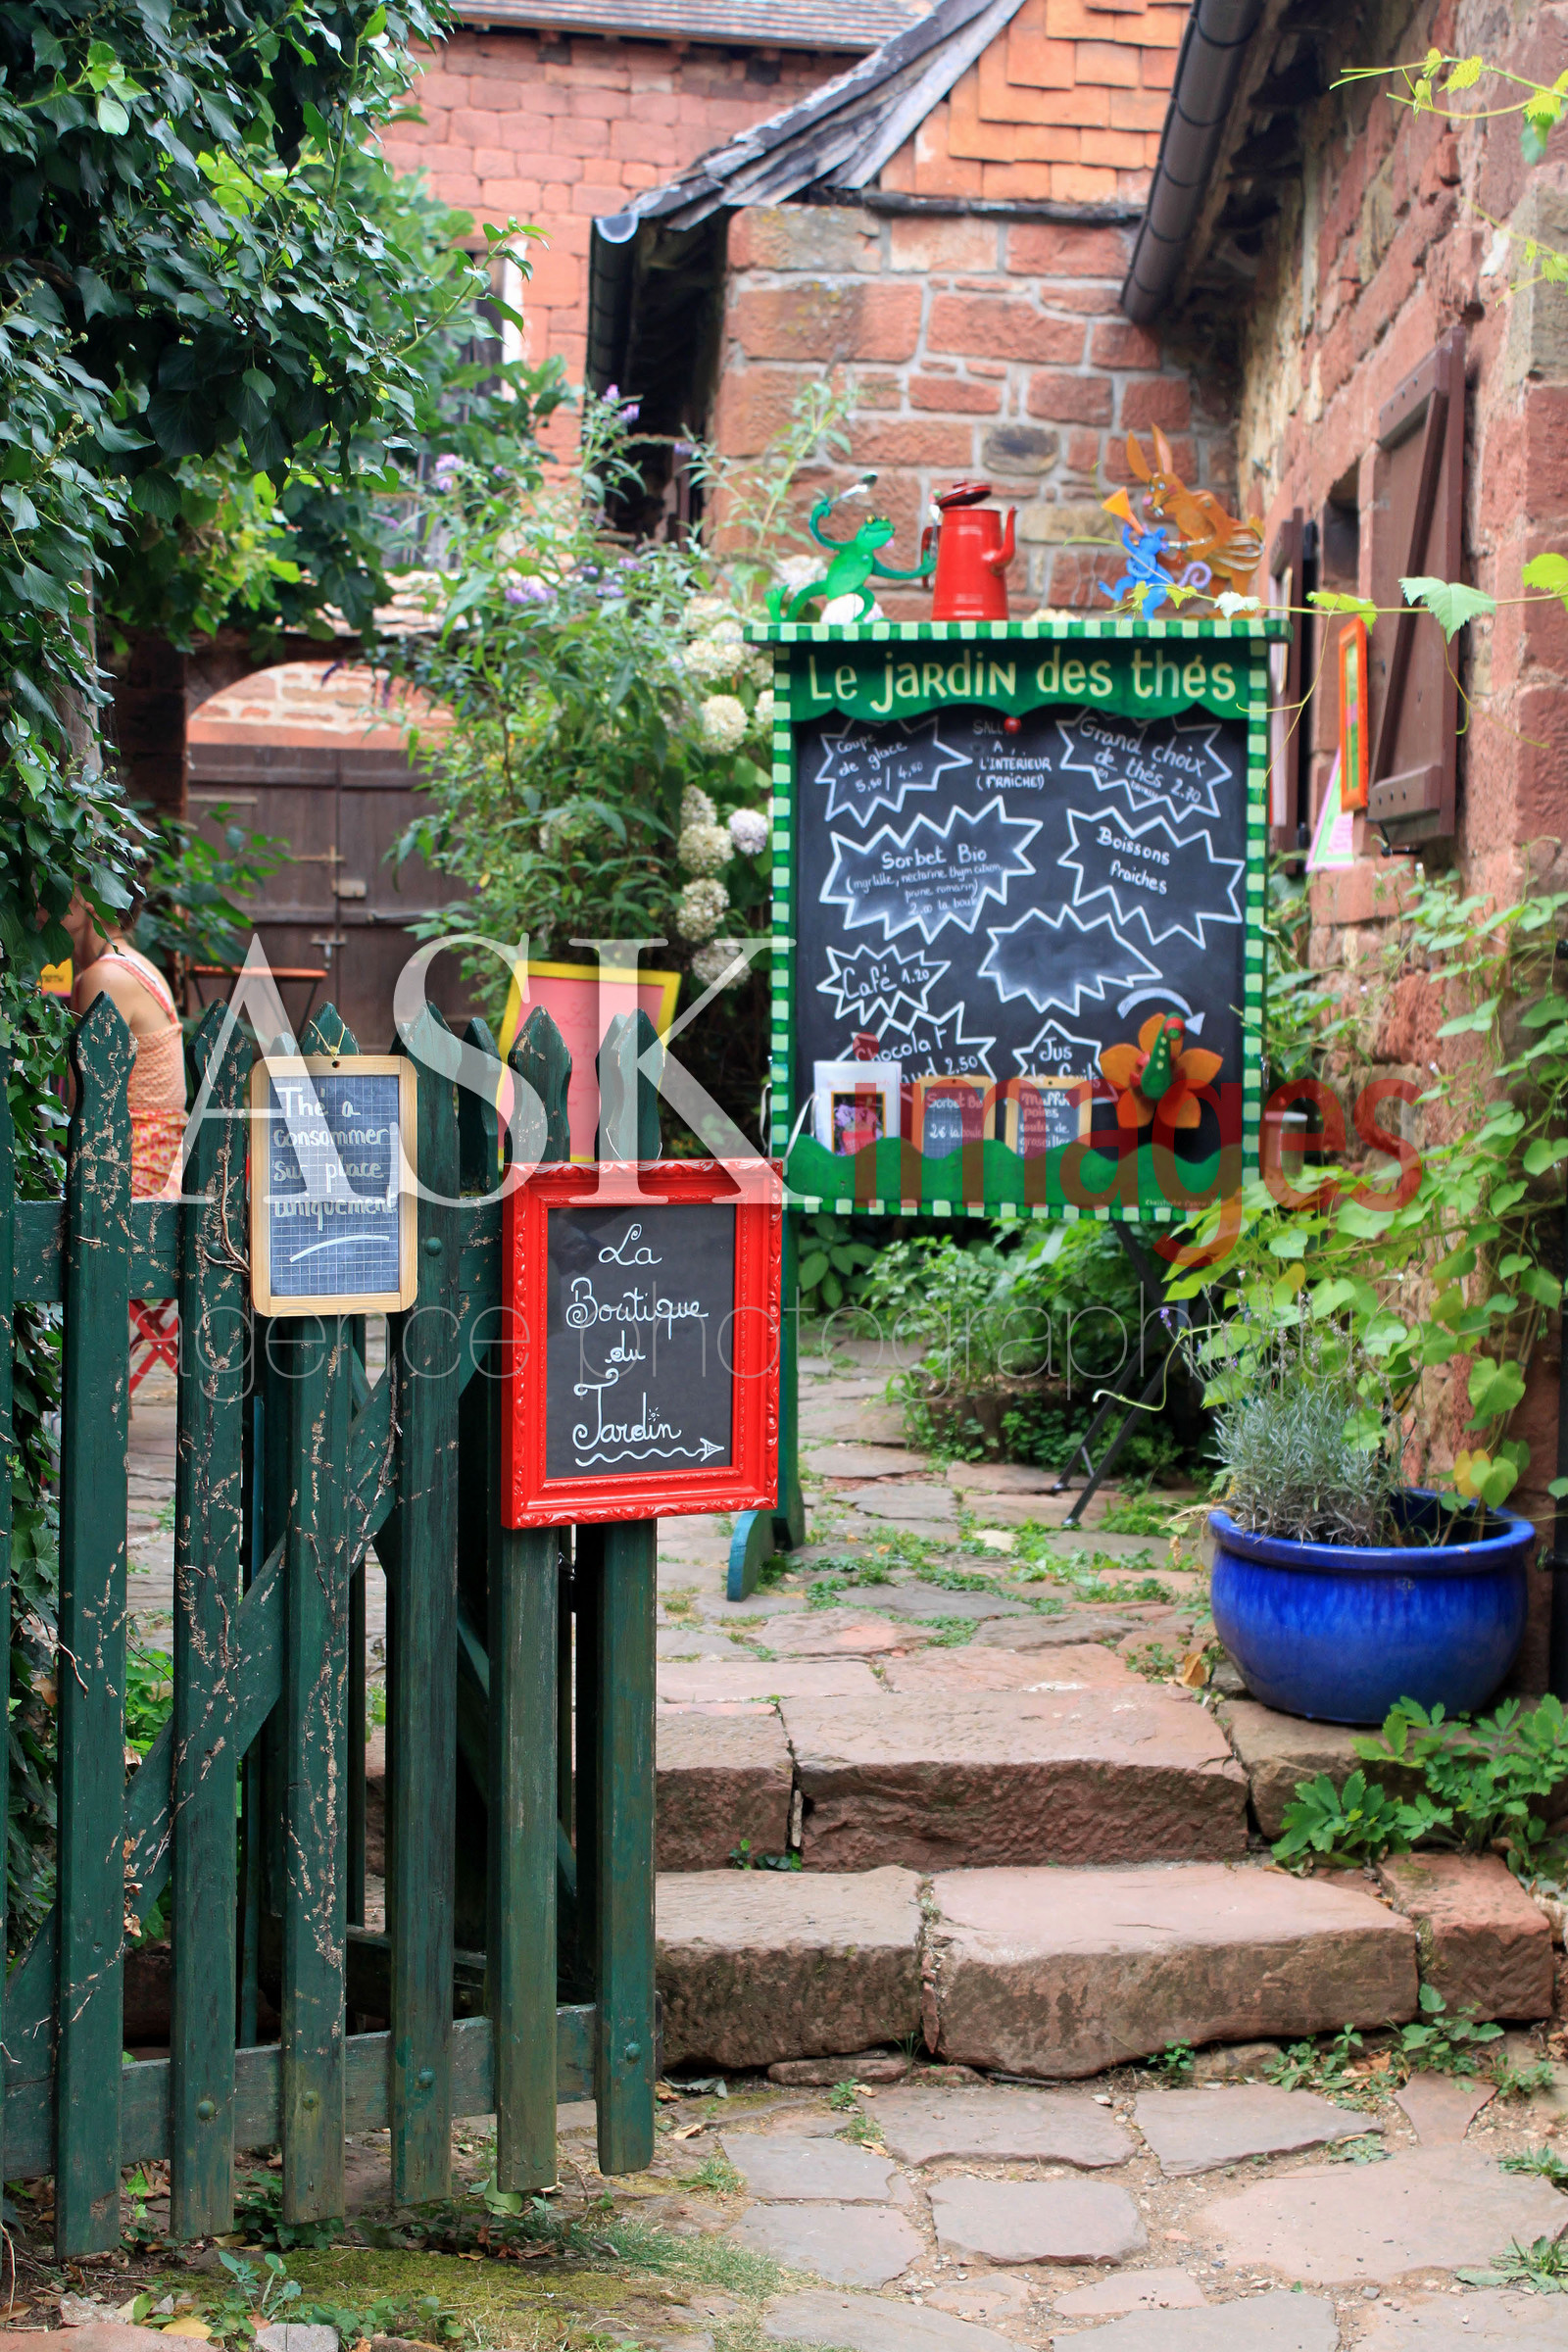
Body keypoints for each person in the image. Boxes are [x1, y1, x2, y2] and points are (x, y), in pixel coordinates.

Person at [64, 891, 187, 1198]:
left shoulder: (106, 976)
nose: (41, 902)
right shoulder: (135, 964)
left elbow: (86, 1107)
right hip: (161, 1172)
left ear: (90, 902)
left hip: (131, 1182)